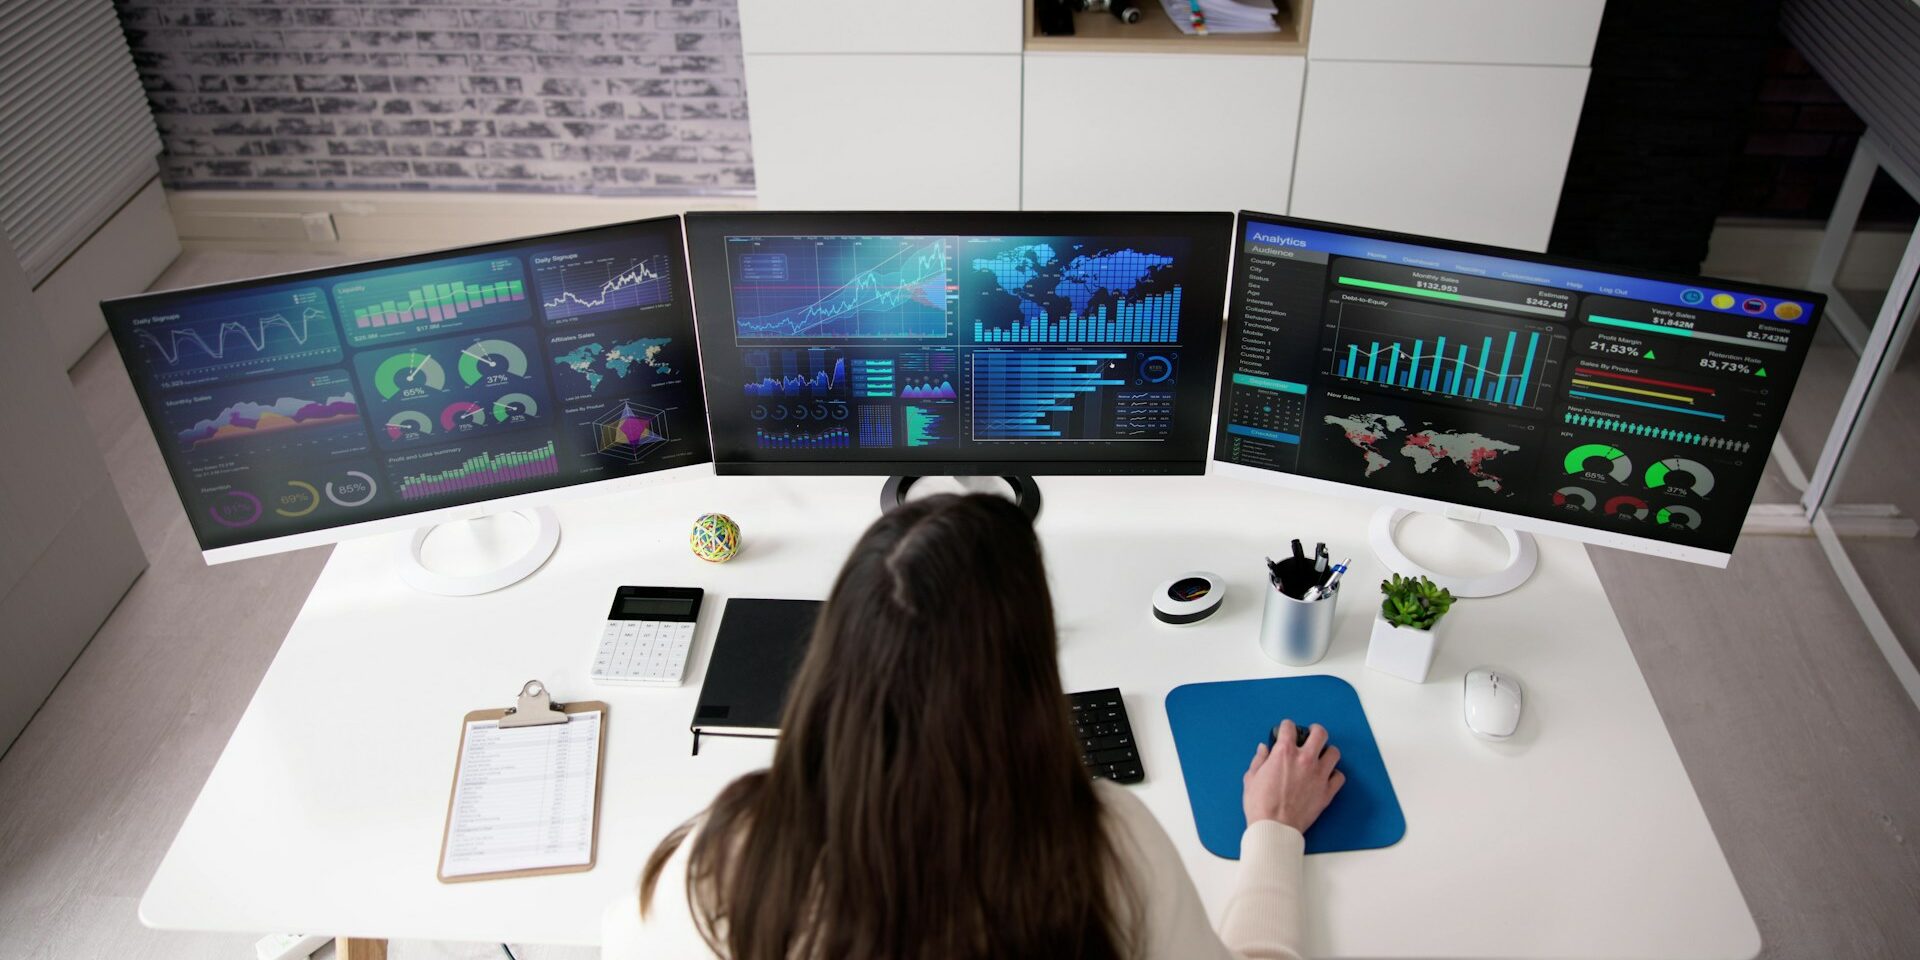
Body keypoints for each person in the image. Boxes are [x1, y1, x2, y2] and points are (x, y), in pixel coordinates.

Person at [603, 494, 1344, 959]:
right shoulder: (1106, 843)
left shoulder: (718, 863)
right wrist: (1274, 834)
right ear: (1030, 663)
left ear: (833, 656)